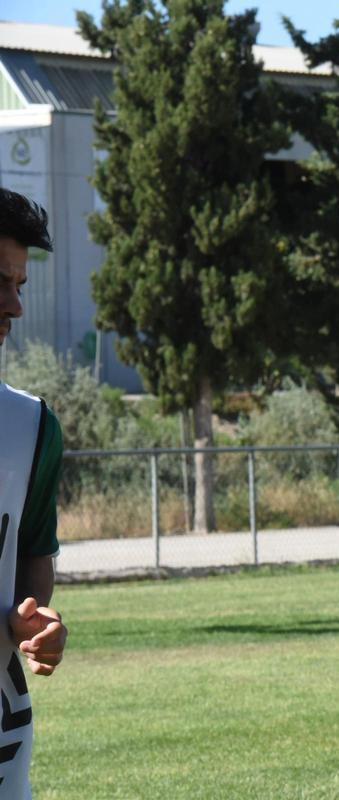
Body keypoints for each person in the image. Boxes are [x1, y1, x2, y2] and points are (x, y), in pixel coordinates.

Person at [0, 187, 69, 799]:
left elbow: (30, 568)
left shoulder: (33, 426)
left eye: (19, 285)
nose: (13, 307)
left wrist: (37, 620)